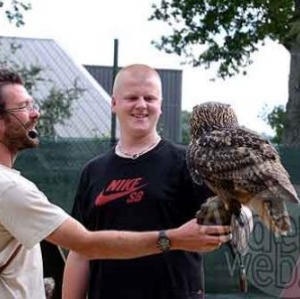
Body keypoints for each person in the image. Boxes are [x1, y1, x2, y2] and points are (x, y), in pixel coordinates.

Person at [0, 68, 231, 299]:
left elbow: (235, 211)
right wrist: (173, 238)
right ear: (114, 103)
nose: (141, 105)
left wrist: (235, 216)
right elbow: (81, 249)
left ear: (161, 105)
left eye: (149, 98)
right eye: (132, 97)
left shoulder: (190, 163)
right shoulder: (93, 171)